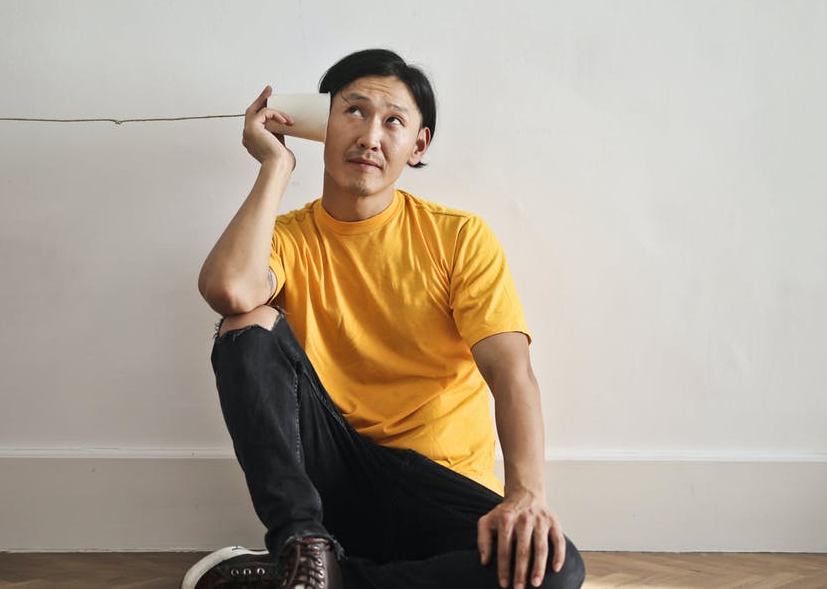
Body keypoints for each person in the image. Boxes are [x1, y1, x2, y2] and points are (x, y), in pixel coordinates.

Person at [184, 49, 586, 589]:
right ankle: (302, 545)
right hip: (330, 483)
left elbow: (512, 374)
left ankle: (322, 579)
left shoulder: (459, 238)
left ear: (417, 145)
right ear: (321, 124)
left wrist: (527, 496)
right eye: (353, 112)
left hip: (436, 483)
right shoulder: (285, 239)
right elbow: (230, 290)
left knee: (555, 571)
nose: (371, 136)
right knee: (245, 324)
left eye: (394, 120)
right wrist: (275, 166)